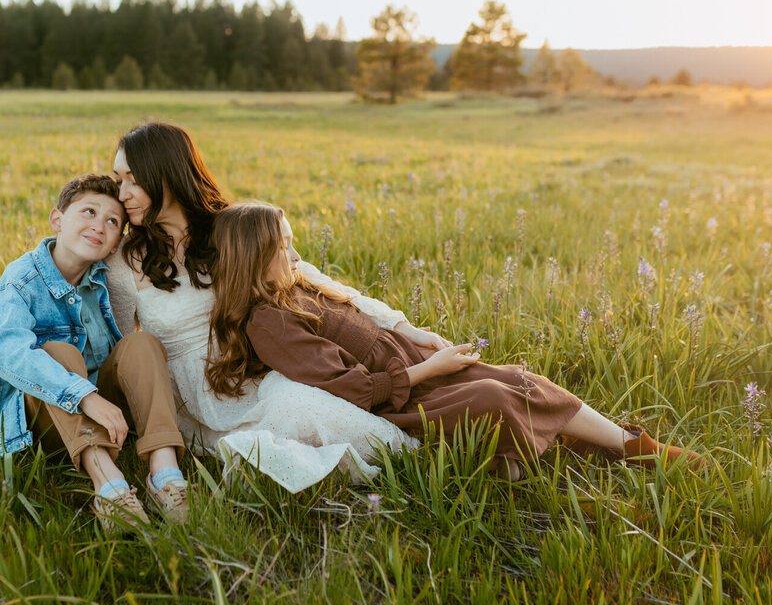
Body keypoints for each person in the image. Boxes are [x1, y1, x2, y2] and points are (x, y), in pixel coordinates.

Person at [205, 202, 705, 480]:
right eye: (283, 246)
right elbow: (349, 388)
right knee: (492, 396)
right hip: (398, 397)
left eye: (292, 241)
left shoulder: (298, 287)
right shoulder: (267, 324)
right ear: (253, 257)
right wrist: (429, 370)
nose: (295, 253)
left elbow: (364, 318)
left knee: (516, 378)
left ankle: (632, 445)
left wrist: (415, 341)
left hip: (413, 368)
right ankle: (539, 454)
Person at [103, 123, 426, 493]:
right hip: (190, 402)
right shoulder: (124, 262)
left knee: (302, 403)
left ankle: (417, 454)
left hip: (251, 370)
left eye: (132, 180)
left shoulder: (229, 229)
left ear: (167, 175)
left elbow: (307, 277)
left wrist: (400, 326)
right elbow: (126, 352)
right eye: (118, 180)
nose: (122, 194)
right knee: (256, 443)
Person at [0, 173, 190, 529]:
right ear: (57, 220)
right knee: (59, 352)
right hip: (48, 419)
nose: (99, 226)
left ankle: (166, 476)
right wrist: (85, 397)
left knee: (141, 343)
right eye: (88, 212)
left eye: (112, 222)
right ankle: (110, 487)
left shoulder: (104, 276)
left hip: (107, 414)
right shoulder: (21, 278)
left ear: (113, 246)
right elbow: (4, 348)